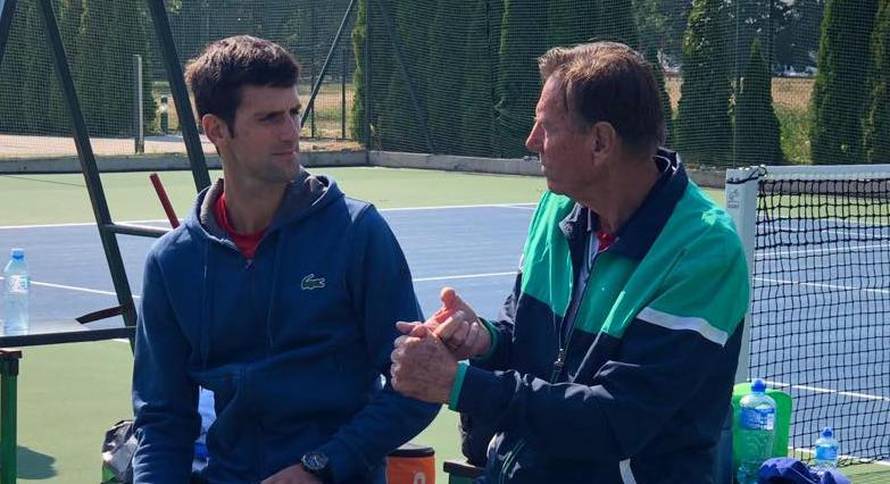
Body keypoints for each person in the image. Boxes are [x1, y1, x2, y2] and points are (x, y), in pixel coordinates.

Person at [390, 41, 750, 483]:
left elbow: (615, 420)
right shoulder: (557, 209)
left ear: (600, 142)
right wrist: (481, 341)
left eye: (546, 127)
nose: (531, 141)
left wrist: (458, 384)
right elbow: (522, 342)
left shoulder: (703, 251)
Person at [132, 35, 438, 484]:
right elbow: (162, 420)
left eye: (293, 112)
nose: (292, 132)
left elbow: (416, 387)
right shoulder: (171, 262)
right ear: (217, 130)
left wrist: (323, 466)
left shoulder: (356, 233)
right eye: (269, 118)